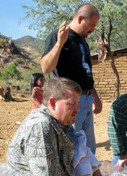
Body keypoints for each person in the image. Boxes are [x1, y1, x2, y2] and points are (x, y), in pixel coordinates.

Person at [7, 77, 109, 176]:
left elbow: (83, 151)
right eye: (71, 104)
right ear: (53, 102)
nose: (77, 110)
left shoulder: (63, 122)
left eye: (78, 104)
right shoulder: (41, 126)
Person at [40, 3, 102, 154]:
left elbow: (86, 72)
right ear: (80, 18)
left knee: (88, 148)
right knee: (72, 149)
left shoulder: (83, 42)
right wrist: (60, 43)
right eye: (91, 25)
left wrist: (95, 96)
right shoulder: (59, 35)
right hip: (71, 101)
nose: (93, 30)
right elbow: (46, 68)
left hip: (86, 100)